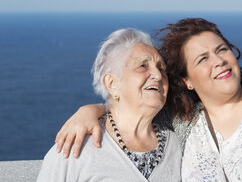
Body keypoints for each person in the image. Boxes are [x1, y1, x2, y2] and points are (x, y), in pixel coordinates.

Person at [55, 0, 242, 181]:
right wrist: (91, 110)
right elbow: (134, 107)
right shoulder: (183, 123)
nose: (218, 61)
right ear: (187, 80)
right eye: (203, 59)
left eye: (222, 49)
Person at [37, 29, 182, 181]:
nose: (158, 75)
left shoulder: (177, 147)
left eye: (161, 68)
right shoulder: (75, 148)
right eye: (143, 66)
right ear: (112, 84)